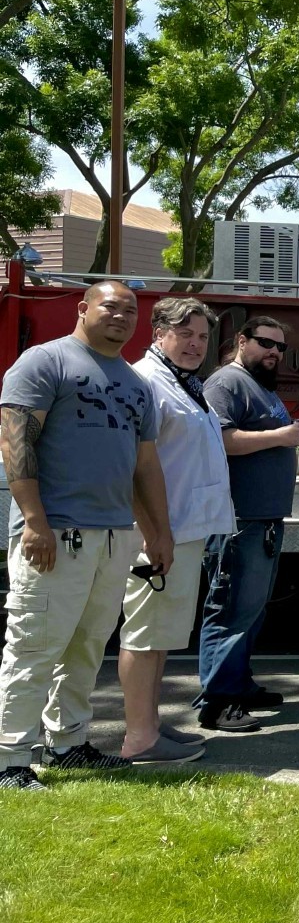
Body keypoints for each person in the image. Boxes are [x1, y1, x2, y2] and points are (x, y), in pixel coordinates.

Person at [0, 282, 171, 789]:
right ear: (83, 309)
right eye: (110, 306)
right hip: (55, 533)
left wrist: (158, 532)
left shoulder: (136, 384)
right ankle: (10, 756)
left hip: (115, 536)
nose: (120, 316)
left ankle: (68, 743)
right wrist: (34, 520)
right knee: (35, 645)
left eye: (129, 310)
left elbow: (145, 465)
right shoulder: (44, 362)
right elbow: (16, 441)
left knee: (87, 647)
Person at [120, 298, 236, 764]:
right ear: (158, 334)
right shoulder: (146, 381)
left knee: (162, 635)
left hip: (185, 530)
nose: (195, 344)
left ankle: (147, 722)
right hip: (160, 534)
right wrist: (156, 534)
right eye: (184, 334)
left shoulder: (186, 384)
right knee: (145, 635)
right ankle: (139, 740)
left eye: (203, 337)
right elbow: (134, 467)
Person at [199, 316, 299, 730]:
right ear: (241, 341)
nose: (274, 352)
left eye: (280, 347)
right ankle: (218, 701)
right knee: (228, 610)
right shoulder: (225, 383)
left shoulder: (260, 386)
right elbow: (221, 440)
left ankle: (239, 685)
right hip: (237, 519)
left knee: (250, 611)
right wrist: (281, 437)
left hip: (262, 519)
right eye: (265, 343)